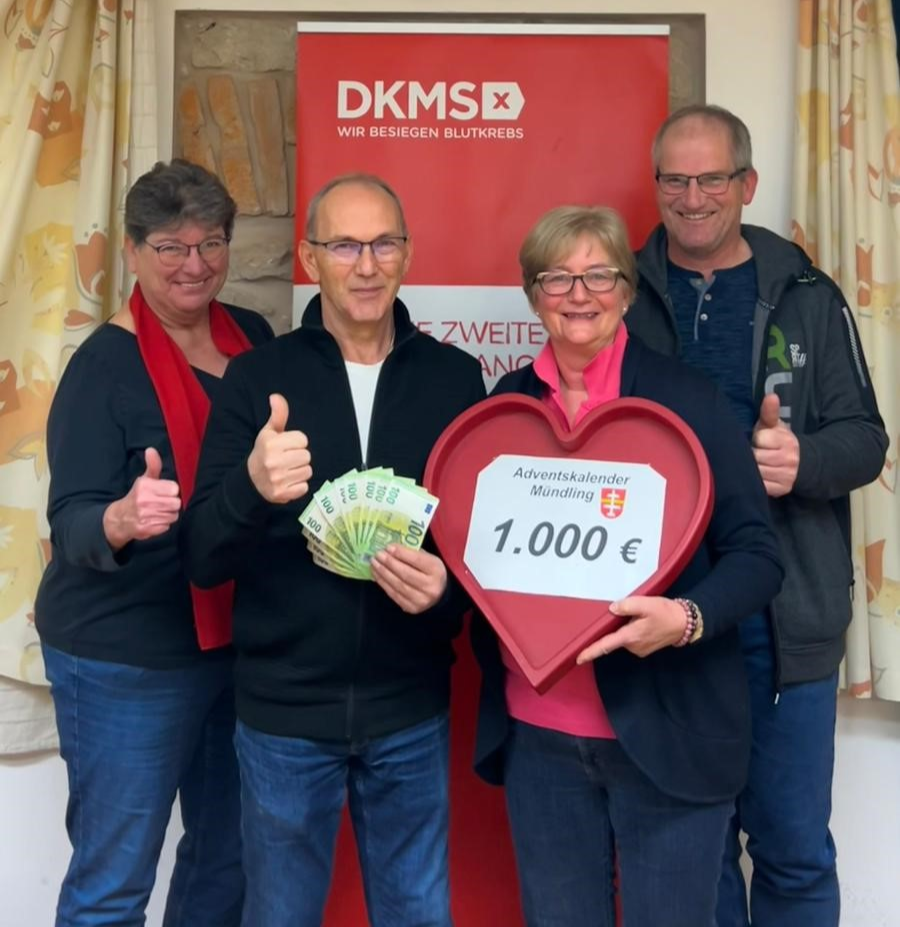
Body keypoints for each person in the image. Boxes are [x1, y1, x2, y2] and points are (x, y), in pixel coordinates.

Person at [181, 173, 486, 927]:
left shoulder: (455, 379)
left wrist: (445, 592)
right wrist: (252, 485)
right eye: (345, 245)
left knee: (418, 914)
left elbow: (481, 557)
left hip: (410, 711)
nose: (367, 265)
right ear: (309, 258)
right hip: (283, 718)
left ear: (408, 253)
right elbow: (202, 557)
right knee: (280, 915)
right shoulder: (258, 378)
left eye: (384, 244)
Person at [470, 204, 783, 927]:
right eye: (557, 278)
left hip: (668, 728)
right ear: (533, 295)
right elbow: (479, 558)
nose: (579, 295)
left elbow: (757, 555)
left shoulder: (688, 402)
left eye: (599, 275)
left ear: (628, 290)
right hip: (539, 736)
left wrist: (686, 617)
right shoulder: (506, 407)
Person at [626, 104, 888, 927]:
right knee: (689, 855)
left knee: (794, 854)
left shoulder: (808, 294)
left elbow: (866, 439)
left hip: (785, 630)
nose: (692, 197)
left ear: (747, 183)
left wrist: (803, 462)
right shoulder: (619, 297)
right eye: (675, 179)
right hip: (669, 624)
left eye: (711, 178)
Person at [35, 159, 274, 926]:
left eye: (211, 243)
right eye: (171, 247)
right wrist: (121, 517)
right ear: (134, 252)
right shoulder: (101, 367)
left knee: (228, 859)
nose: (194, 264)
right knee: (114, 881)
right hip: (125, 658)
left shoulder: (255, 338)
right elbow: (69, 520)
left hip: (238, 644)